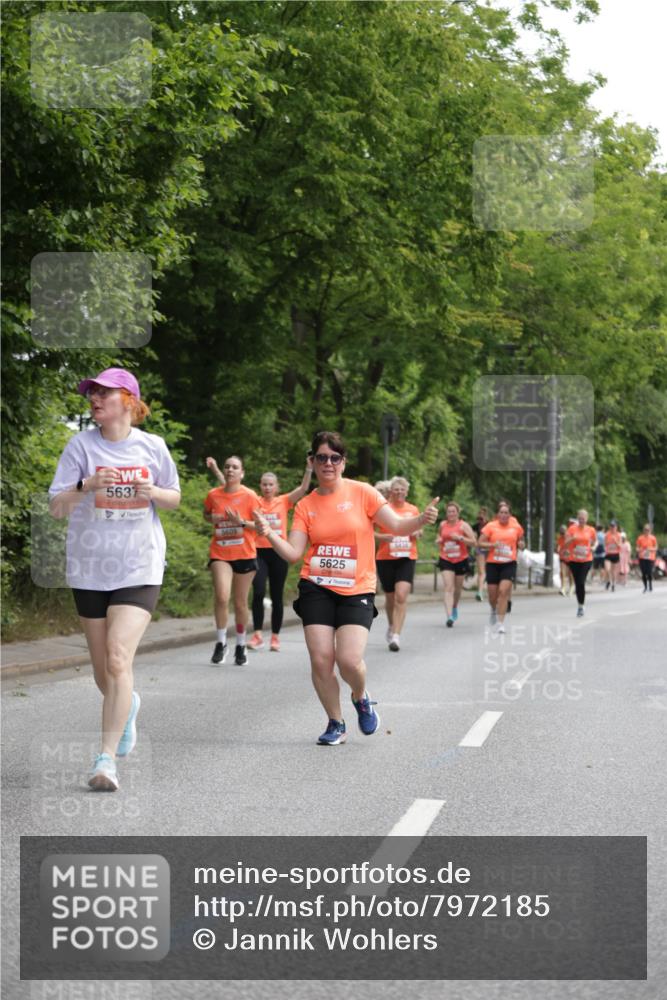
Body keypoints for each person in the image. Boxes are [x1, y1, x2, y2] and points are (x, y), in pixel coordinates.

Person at [253, 431, 439, 745]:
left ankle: (361, 696)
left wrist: (421, 519)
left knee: (349, 661)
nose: (328, 463)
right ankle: (335, 722)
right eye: (321, 457)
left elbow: (395, 526)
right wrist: (270, 534)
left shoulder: (363, 492)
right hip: (317, 586)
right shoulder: (306, 505)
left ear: (343, 462)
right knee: (321, 659)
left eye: (334, 457)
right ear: (312, 461)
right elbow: (295, 553)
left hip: (357, 587)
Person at [49, 368, 181, 791]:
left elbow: (174, 496)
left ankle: (105, 760)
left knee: (118, 656)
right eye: (91, 393)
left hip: (138, 565)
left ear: (127, 400)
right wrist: (86, 485)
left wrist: (152, 493)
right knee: (103, 671)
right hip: (89, 567)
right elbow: (56, 507)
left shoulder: (152, 447)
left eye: (103, 392)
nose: (94, 399)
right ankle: (129, 704)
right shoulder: (80, 446)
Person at [207, 456, 313, 652]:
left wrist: (308, 468)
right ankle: (256, 634)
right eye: (264, 484)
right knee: (257, 592)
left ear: (277, 487)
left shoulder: (283, 501)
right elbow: (227, 486)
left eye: (271, 484)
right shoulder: (253, 499)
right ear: (260, 486)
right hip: (258, 551)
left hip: (278, 551)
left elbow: (303, 489)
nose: (267, 487)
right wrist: (215, 468)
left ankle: (275, 636)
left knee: (276, 594)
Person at [203, 456, 260, 666]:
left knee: (240, 602)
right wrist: (213, 519)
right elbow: (206, 515)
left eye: (235, 467)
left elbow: (261, 526)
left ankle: (241, 643)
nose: (230, 470)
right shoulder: (213, 495)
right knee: (221, 596)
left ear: (242, 473)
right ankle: (220, 642)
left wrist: (241, 522)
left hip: (244, 553)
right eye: (227, 466)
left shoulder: (250, 496)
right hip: (220, 553)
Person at [374, 476, 421, 651]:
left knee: (401, 596)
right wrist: (383, 537)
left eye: (402, 489)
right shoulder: (383, 509)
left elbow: (418, 527)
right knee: (390, 597)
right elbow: (368, 531)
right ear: (391, 491)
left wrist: (418, 532)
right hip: (386, 557)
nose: (399, 492)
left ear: (407, 492)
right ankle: (392, 624)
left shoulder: (413, 509)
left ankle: (396, 635)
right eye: (396, 489)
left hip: (407, 557)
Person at [477, 500, 525, 635]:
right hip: (493, 563)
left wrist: (521, 544)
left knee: (503, 592)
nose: (503, 515)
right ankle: (493, 609)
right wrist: (492, 545)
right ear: (498, 514)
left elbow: (521, 541)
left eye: (506, 513)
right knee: (493, 595)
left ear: (510, 514)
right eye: (501, 512)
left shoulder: (516, 526)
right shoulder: (491, 526)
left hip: (509, 563)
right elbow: (479, 543)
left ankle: (500, 623)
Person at [437, 502, 477, 627]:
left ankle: (454, 606)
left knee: (457, 589)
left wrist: (460, 538)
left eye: (453, 511)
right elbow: (440, 535)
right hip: (446, 559)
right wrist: (439, 539)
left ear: (458, 513)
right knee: (448, 587)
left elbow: (474, 542)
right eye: (449, 512)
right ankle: (449, 616)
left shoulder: (463, 526)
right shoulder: (442, 524)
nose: (451, 514)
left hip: (461, 559)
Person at [564, 509, 597, 617]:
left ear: (586, 519)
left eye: (583, 518)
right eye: (580, 518)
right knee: (578, 584)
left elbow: (595, 541)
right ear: (577, 518)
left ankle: (581, 607)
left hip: (586, 559)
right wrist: (572, 538)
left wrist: (593, 547)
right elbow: (565, 543)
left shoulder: (591, 530)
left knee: (581, 582)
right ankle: (580, 605)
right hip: (574, 560)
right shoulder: (572, 529)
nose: (582, 520)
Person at [473, 507, 489, 602]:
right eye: (478, 519)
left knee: (489, 571)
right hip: (480, 550)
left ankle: (487, 588)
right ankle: (480, 591)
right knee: (481, 572)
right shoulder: (475, 526)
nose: (480, 521)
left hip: (490, 549)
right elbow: (473, 537)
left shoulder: (490, 525)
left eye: (482, 519)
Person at [636, 524, 658, 592]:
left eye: (648, 530)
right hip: (642, 557)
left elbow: (656, 548)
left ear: (650, 531)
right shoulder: (640, 538)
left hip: (650, 558)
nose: (646, 531)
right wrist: (639, 549)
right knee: (643, 573)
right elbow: (637, 547)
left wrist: (650, 549)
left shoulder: (653, 538)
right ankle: (645, 587)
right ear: (643, 530)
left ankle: (650, 585)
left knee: (649, 572)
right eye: (645, 530)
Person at [604, 520, 622, 592]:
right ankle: (609, 581)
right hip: (608, 554)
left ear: (616, 527)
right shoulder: (607, 534)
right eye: (611, 526)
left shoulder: (618, 535)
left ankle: (613, 584)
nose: (612, 528)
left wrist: (615, 541)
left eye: (613, 526)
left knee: (613, 571)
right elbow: (605, 544)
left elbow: (620, 545)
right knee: (607, 569)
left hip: (615, 554)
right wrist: (607, 543)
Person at [557, 524, 573, 596]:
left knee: (570, 574)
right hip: (563, 558)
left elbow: (573, 547)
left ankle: (571, 587)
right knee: (563, 573)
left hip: (570, 558)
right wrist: (559, 549)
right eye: (561, 533)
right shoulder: (560, 538)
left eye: (563, 533)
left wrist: (569, 551)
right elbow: (559, 546)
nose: (562, 534)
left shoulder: (570, 538)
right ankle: (563, 588)